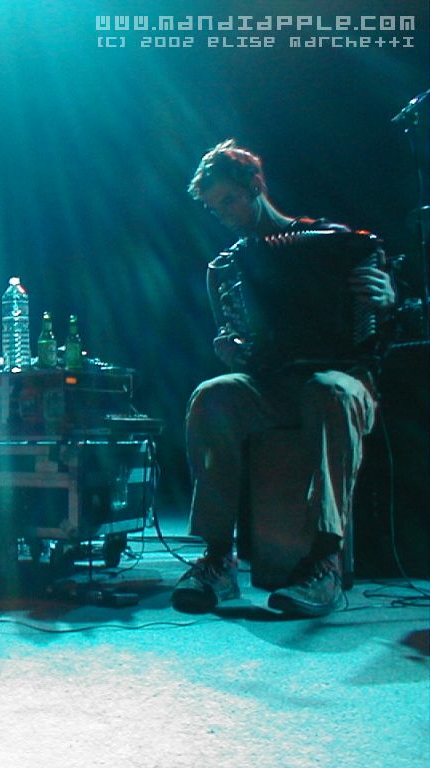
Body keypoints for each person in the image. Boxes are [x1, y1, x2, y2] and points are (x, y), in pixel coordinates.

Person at [173, 139, 396, 617]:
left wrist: (386, 298)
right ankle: (218, 558)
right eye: (215, 209)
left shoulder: (336, 242)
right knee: (212, 396)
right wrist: (231, 351)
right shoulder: (230, 267)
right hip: (275, 385)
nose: (225, 215)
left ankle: (326, 563)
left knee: (328, 390)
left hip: (344, 377)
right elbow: (242, 348)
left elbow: (384, 327)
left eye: (229, 201)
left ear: (255, 185)